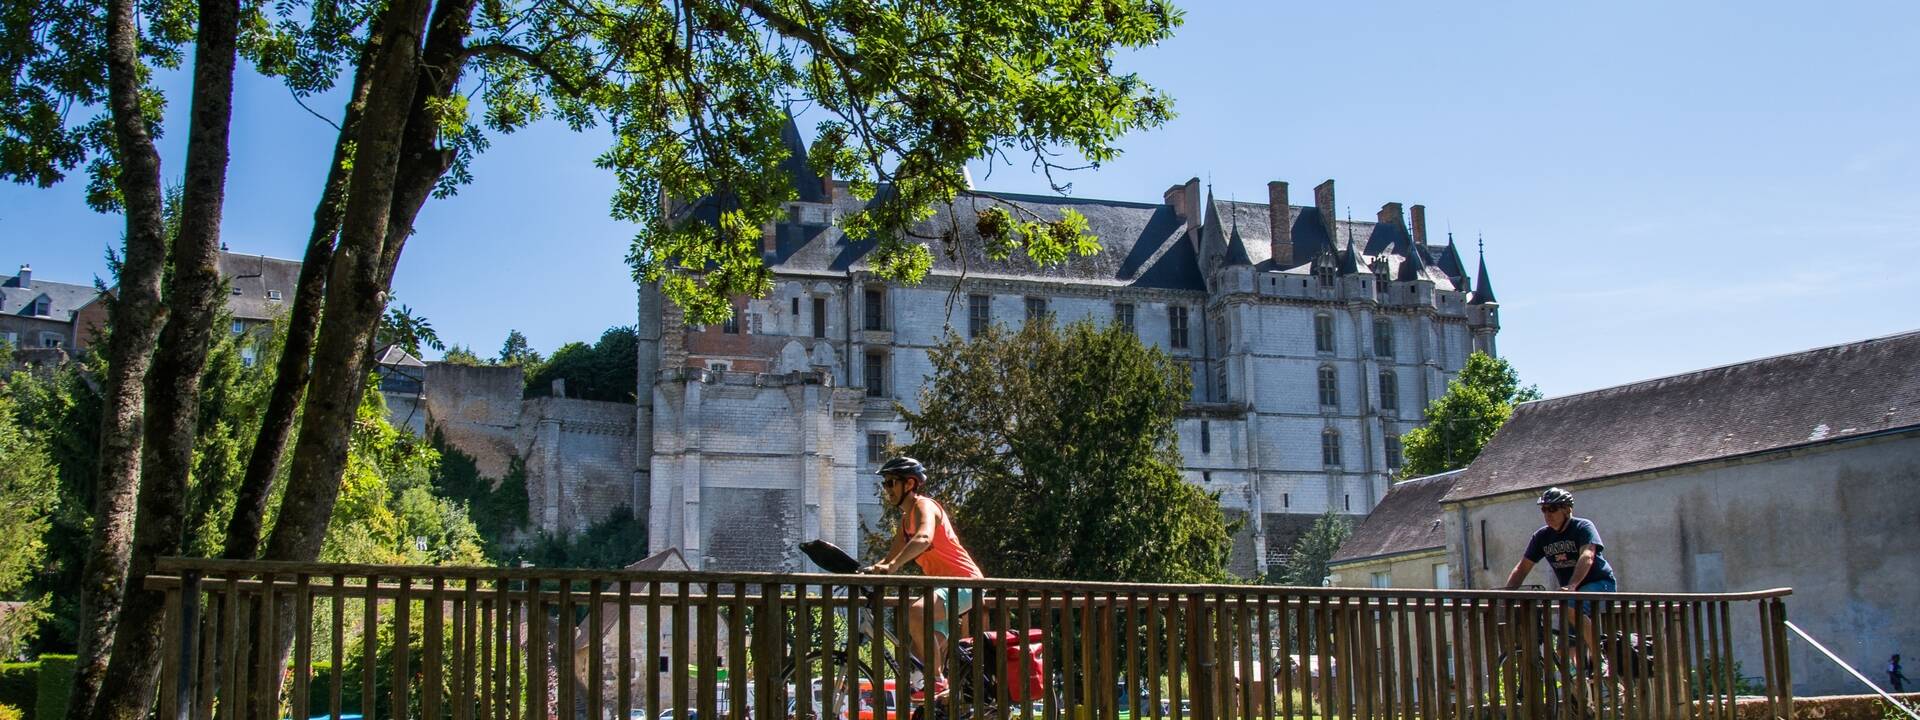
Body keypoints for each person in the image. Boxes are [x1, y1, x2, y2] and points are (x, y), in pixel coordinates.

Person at [861, 456, 984, 700]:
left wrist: (893, 565)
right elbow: (889, 560)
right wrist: (869, 570)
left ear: (909, 484)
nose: (887, 489)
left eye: (890, 483)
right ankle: (946, 696)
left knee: (916, 613)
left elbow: (924, 538)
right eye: (885, 484)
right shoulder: (906, 520)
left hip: (965, 582)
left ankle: (937, 681)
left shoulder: (924, 506)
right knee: (927, 649)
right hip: (942, 588)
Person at [1503, 487, 1616, 673]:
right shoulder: (1542, 537)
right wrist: (1505, 594)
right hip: (1571, 595)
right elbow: (1523, 567)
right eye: (1544, 509)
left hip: (1599, 583)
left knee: (1572, 605)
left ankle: (1600, 658)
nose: (1547, 514)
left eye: (1552, 508)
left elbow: (1587, 555)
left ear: (1567, 509)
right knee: (1564, 651)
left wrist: (1572, 585)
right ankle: (1584, 687)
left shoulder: (1583, 527)